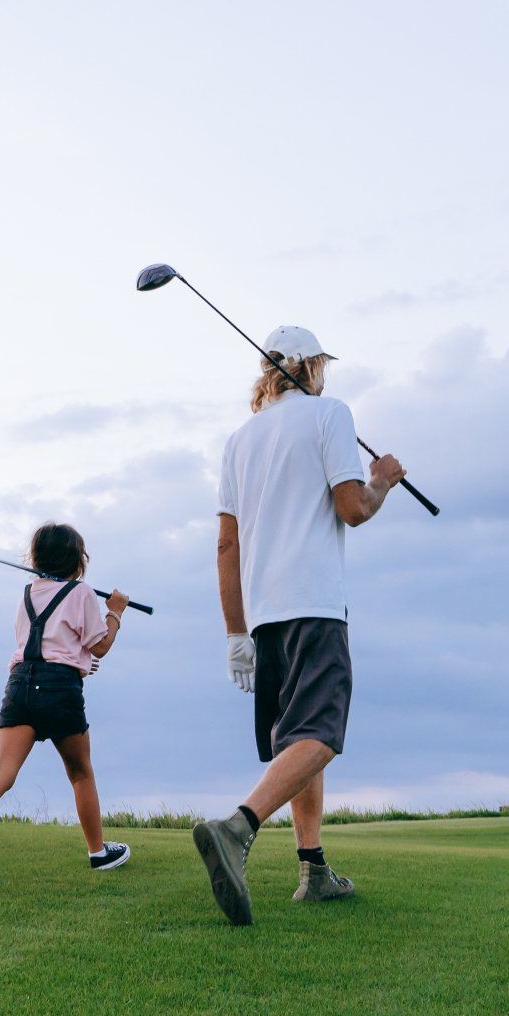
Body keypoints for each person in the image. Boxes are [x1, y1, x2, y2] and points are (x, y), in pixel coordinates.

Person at [190, 327, 405, 925]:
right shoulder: (329, 413)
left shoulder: (238, 440)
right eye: (322, 368)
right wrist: (382, 479)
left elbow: (226, 544)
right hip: (313, 601)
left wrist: (236, 633)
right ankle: (238, 828)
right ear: (309, 368)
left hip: (263, 615)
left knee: (297, 740)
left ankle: (313, 870)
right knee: (322, 733)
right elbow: (352, 509)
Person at [0, 523, 134, 881]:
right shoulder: (81, 593)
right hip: (60, 689)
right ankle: (98, 852)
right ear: (77, 560)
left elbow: (45, 646)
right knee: (80, 773)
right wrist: (115, 612)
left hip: (19, 684)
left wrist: (76, 661)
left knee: (1, 773)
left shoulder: (27, 593)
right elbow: (100, 645)